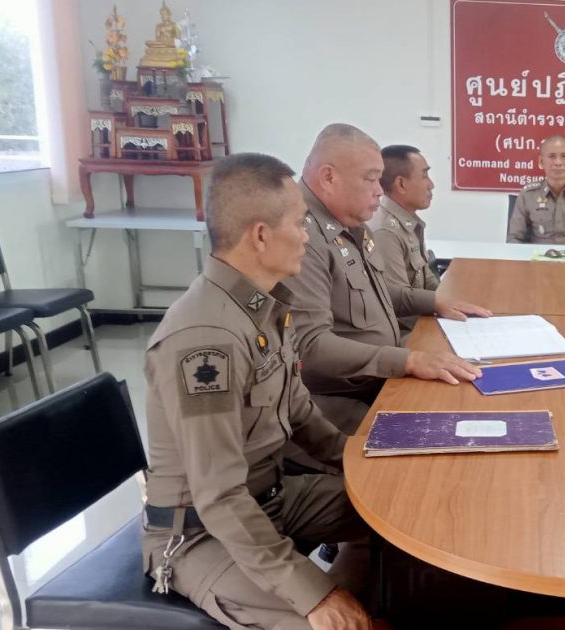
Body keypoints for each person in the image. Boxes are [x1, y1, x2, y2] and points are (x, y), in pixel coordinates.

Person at [142, 153, 378, 630]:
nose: (308, 235)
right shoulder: (207, 340)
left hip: (269, 500)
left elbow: (301, 415)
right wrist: (315, 595)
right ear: (261, 236)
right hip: (205, 534)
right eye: (300, 223)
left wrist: (370, 472)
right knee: (344, 624)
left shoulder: (261, 308)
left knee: (394, 517)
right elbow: (220, 497)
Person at [282, 124, 484, 444]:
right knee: (440, 440)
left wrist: (434, 302)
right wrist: (409, 360)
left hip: (378, 377)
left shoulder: (348, 222)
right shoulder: (300, 235)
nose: (380, 190)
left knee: (471, 402)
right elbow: (311, 346)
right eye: (371, 178)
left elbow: (372, 290)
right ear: (329, 177)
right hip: (339, 397)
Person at [369, 144, 491, 332]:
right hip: (406, 332)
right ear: (401, 184)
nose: (431, 185)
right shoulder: (386, 232)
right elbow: (400, 303)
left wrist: (453, 301)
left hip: (422, 320)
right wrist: (440, 307)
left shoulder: (408, 221)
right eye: (424, 175)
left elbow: (427, 279)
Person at [507, 135, 565, 245]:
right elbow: (514, 239)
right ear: (541, 161)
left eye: (564, 156)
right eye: (552, 156)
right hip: (538, 256)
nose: (558, 162)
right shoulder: (527, 195)